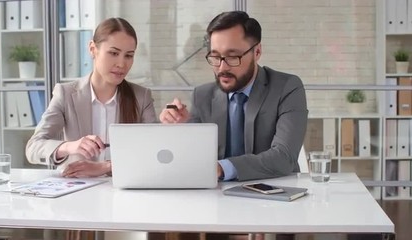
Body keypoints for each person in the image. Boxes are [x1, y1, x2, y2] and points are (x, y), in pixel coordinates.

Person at [160, 11, 308, 182]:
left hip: (274, 195)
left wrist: (222, 168)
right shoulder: (202, 95)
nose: (222, 67)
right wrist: (179, 129)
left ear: (257, 52)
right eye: (215, 56)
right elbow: (191, 159)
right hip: (216, 197)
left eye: (232, 57)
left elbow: (283, 157)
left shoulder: (287, 87)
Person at [26, 17, 156, 178]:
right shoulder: (66, 94)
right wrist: (70, 147)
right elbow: (33, 147)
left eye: (128, 56)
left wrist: (105, 167)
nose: (121, 64)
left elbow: (153, 153)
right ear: (93, 49)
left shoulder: (142, 97)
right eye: (114, 53)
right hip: (76, 194)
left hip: (123, 193)